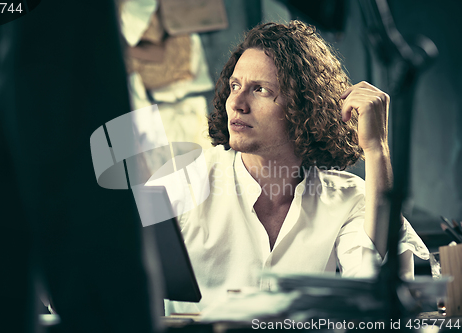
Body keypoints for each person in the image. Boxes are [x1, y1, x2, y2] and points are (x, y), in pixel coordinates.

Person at [164, 21, 428, 314]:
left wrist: (376, 148)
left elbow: (381, 289)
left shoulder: (347, 200)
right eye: (235, 86)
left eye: (260, 89)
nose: (236, 102)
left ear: (303, 106)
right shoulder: (182, 182)